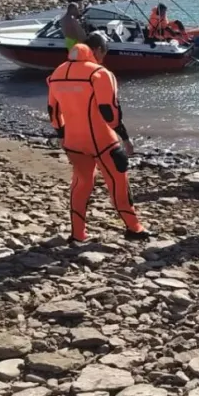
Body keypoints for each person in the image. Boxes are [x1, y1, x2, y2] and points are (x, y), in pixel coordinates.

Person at [47, 32, 151, 242]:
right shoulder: (100, 73)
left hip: (73, 142)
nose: (104, 56)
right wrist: (125, 138)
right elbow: (110, 113)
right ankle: (134, 229)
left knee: (81, 184)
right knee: (118, 183)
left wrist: (61, 134)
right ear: (97, 50)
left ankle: (77, 234)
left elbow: (53, 112)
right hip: (102, 142)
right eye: (105, 51)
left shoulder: (57, 73)